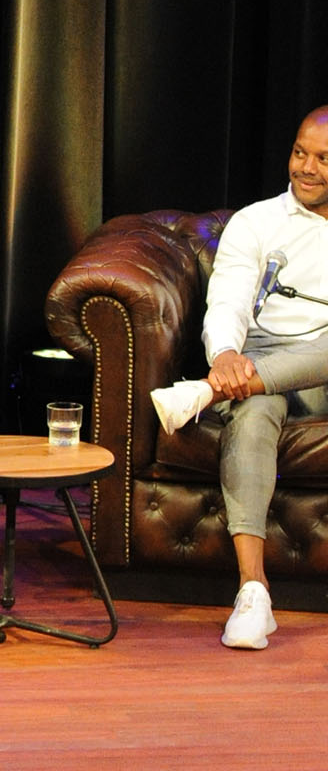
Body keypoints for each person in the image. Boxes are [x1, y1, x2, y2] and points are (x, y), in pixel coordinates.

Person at [149, 105, 328, 650]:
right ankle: (254, 592)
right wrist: (225, 353)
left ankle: (203, 394)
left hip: (323, 366)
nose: (306, 167)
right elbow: (226, 296)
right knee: (251, 411)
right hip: (259, 357)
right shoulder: (258, 221)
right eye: (300, 152)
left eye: (323, 159)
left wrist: (219, 379)